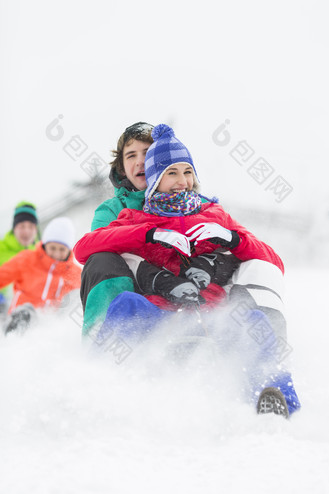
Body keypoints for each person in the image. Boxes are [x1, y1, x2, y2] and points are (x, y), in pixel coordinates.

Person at [74, 124, 301, 418]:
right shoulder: (132, 216)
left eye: (187, 172)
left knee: (251, 321)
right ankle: (95, 390)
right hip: (161, 313)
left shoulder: (213, 213)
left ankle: (274, 400)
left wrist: (229, 242)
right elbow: (86, 248)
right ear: (155, 178)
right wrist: (149, 236)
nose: (182, 181)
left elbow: (272, 261)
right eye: (171, 172)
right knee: (126, 305)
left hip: (211, 313)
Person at [80, 122, 155, 334]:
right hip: (132, 296)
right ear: (121, 167)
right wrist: (146, 235)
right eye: (131, 155)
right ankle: (104, 336)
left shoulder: (186, 204)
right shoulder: (110, 210)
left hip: (176, 297)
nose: (140, 161)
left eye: (147, 153)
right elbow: (92, 246)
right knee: (101, 259)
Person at [0, 217, 82, 334]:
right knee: (26, 312)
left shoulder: (74, 273)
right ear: (45, 245)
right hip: (19, 319)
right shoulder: (27, 259)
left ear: (69, 250)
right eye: (52, 248)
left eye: (62, 249)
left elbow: (76, 302)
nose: (56, 254)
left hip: (49, 328)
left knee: (74, 298)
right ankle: (14, 344)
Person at [0, 201, 39, 316]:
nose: (26, 231)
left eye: (31, 226)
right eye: (22, 226)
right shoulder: (1, 250)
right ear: (14, 229)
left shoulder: (41, 253)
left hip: (35, 310)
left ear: (36, 230)